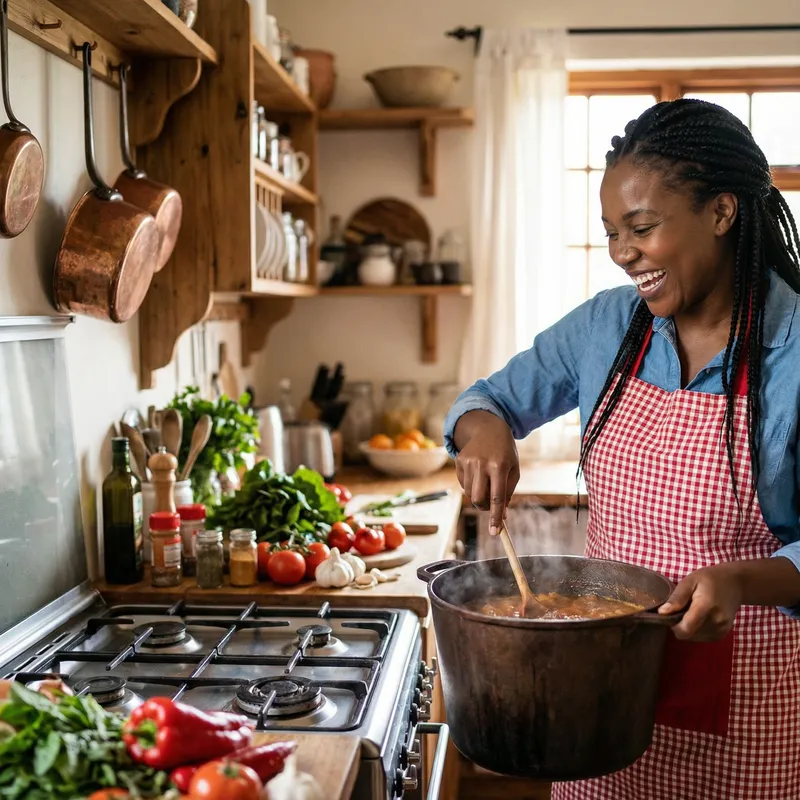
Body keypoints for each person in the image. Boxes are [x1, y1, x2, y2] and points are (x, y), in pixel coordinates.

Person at [443, 98, 800, 799]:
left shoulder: (794, 353)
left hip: (748, 694)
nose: (622, 252)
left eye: (641, 228)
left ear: (722, 212)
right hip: (599, 691)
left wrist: (740, 580)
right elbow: (488, 398)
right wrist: (480, 427)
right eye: (611, 233)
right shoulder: (608, 324)